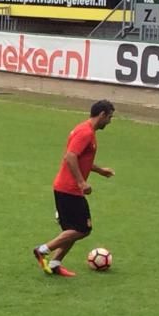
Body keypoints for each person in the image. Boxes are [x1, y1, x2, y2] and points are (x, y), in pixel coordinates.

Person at [33, 100, 115, 277]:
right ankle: (42, 250)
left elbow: (80, 158)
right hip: (68, 189)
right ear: (102, 115)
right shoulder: (85, 132)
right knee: (82, 229)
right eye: (109, 117)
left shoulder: (88, 131)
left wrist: (100, 170)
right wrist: (81, 183)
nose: (109, 121)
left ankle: (55, 264)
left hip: (68, 188)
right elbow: (70, 157)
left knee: (71, 230)